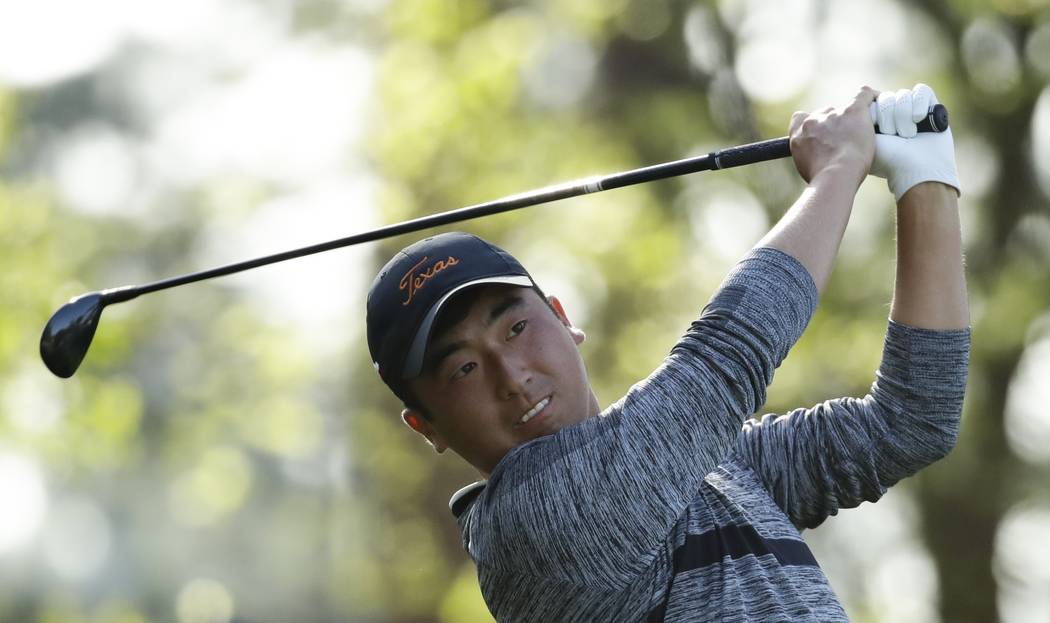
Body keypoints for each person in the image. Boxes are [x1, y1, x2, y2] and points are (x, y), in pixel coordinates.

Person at [365, 84, 970, 622]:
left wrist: (924, 180)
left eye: (515, 329)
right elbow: (724, 358)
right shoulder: (531, 530)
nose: (512, 376)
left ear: (562, 317)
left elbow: (909, 423)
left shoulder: (712, 470)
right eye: (464, 368)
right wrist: (839, 166)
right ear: (428, 427)